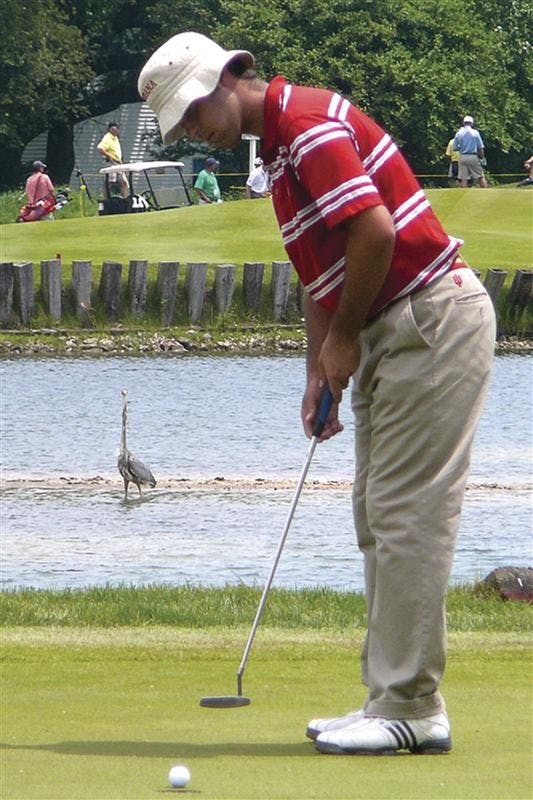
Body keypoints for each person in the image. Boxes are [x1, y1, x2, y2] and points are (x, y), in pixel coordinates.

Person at [139, 32, 496, 756]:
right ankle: (389, 698)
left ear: (225, 78)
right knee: (377, 513)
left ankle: (411, 707)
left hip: (428, 321)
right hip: (398, 328)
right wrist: (315, 369)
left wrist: (343, 342)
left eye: (193, 114)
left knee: (406, 517)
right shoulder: (275, 154)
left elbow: (372, 231)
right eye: (181, 126)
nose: (195, 134)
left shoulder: (303, 127)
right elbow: (320, 273)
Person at [96, 121, 129, 199]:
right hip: (110, 163)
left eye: (116, 128)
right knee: (109, 183)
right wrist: (110, 156)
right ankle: (106, 200)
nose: (114, 130)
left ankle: (124, 200)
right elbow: (100, 148)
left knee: (124, 182)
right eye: (112, 128)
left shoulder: (115, 138)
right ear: (109, 129)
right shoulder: (107, 137)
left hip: (118, 163)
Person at [453, 115, 488, 188]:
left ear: (463, 123)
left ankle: (463, 194)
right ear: (472, 123)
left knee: (464, 178)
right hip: (473, 156)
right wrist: (482, 157)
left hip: (463, 157)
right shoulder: (475, 133)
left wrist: (462, 147)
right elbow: (480, 147)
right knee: (480, 176)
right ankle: (485, 191)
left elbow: (455, 148)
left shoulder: (459, 133)